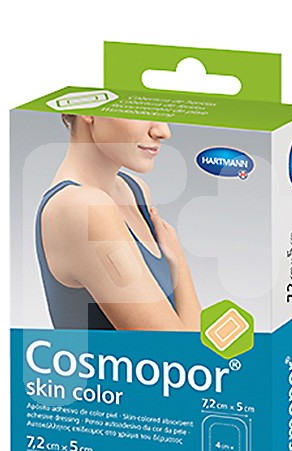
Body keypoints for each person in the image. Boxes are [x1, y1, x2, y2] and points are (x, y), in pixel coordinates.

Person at [35, 115, 201, 331]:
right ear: (89, 111)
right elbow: (180, 349)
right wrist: (178, 262)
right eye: (141, 111)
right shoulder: (84, 209)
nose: (163, 132)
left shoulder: (134, 190)